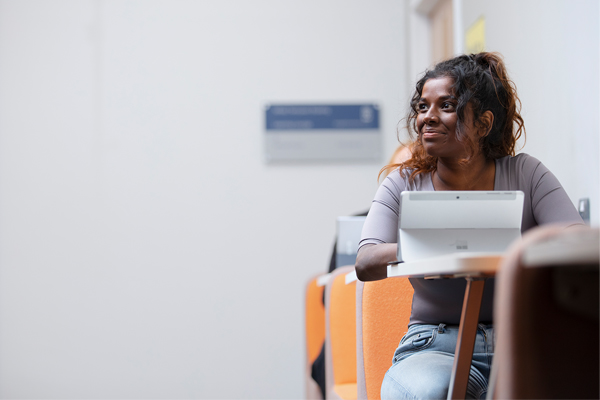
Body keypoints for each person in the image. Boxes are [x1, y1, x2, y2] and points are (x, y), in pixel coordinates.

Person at [355, 52, 585, 400]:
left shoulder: (526, 173)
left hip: (522, 339)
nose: (427, 118)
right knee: (433, 394)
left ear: (483, 123)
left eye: (445, 105)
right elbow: (366, 261)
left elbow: (576, 242)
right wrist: (439, 242)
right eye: (421, 107)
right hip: (435, 345)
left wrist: (518, 245)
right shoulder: (404, 183)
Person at [310, 144, 413, 399]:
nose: (407, 178)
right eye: (400, 171)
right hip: (358, 326)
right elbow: (329, 298)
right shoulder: (363, 226)